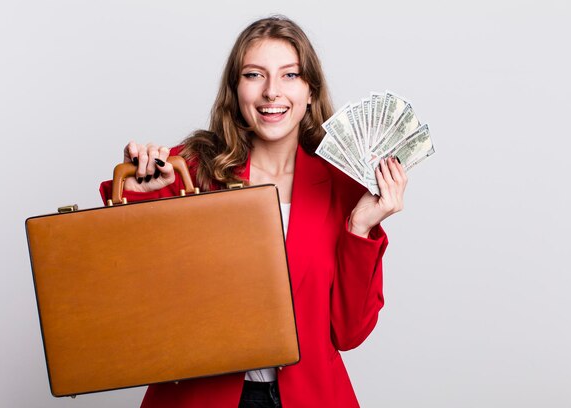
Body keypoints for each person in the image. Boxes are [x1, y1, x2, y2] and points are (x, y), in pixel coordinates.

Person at [100, 15, 407, 408]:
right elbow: (122, 287)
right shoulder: (187, 170)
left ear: (310, 91)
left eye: (290, 75)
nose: (271, 92)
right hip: (199, 397)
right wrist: (141, 194)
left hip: (306, 397)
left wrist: (361, 228)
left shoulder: (345, 188)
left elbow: (348, 333)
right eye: (254, 75)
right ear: (236, 89)